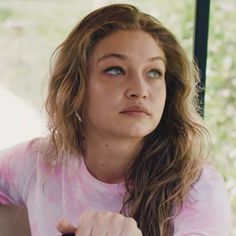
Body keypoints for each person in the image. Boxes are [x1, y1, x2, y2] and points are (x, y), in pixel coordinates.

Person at [0, 3, 231, 236]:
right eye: (115, 70)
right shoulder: (38, 163)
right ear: (76, 87)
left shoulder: (197, 187)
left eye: (153, 72)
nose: (140, 90)